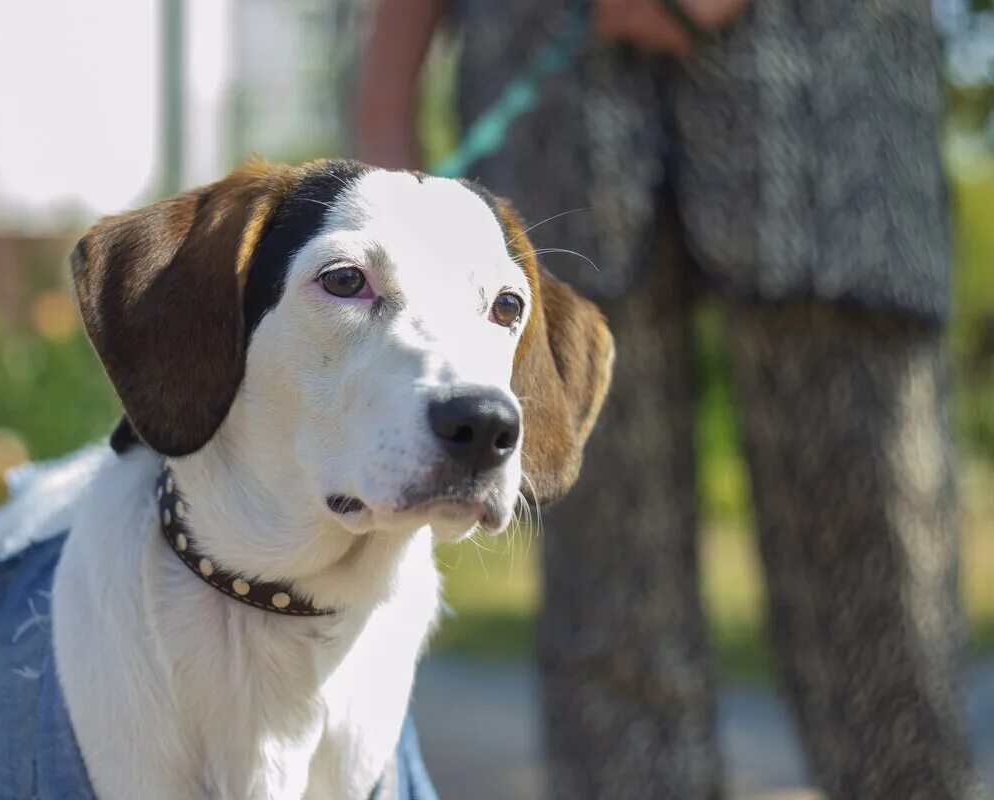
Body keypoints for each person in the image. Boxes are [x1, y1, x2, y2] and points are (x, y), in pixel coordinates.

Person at [356, 1, 989, 798]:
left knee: (885, 610)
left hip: (831, 124)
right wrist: (384, 107)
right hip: (558, 127)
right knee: (612, 631)